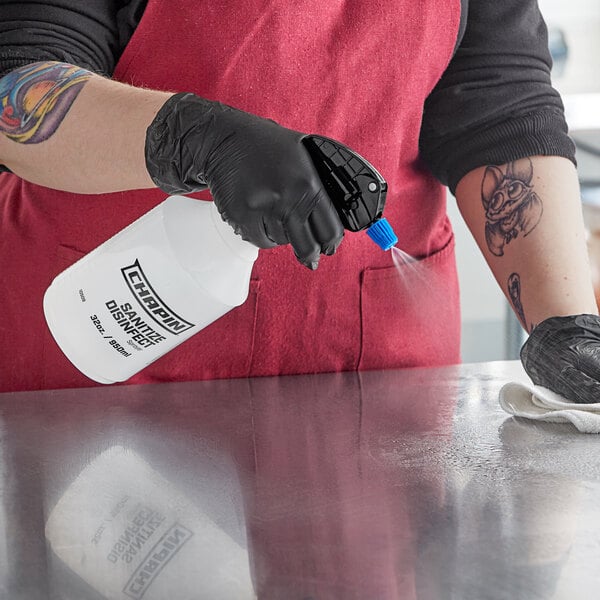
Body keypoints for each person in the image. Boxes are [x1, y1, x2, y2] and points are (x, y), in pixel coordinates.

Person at [0, 0, 599, 401]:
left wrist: (565, 325)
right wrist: (194, 137)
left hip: (378, 405)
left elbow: (500, 108)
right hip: (103, 361)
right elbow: (17, 86)